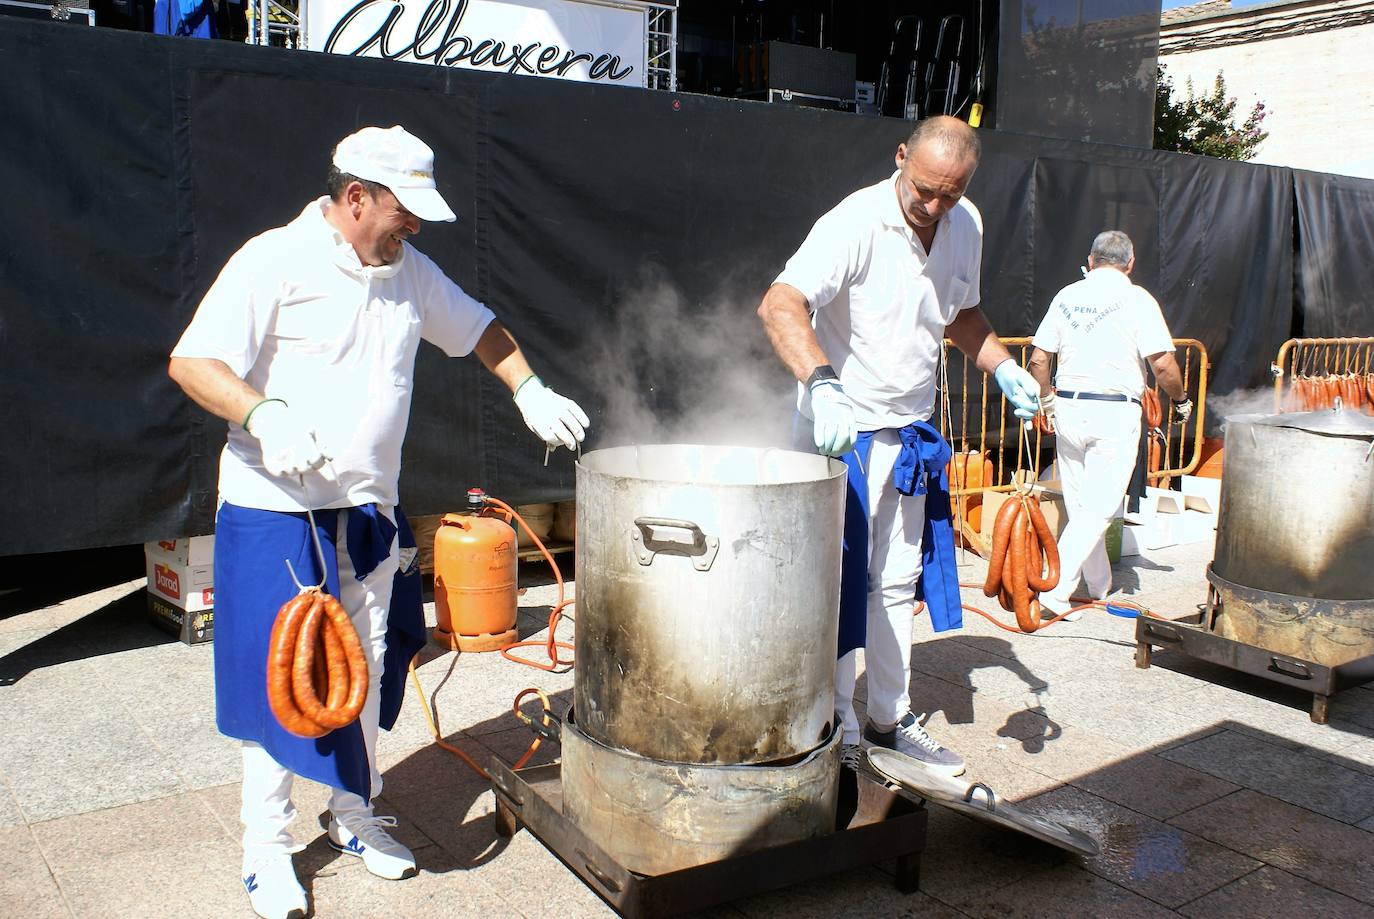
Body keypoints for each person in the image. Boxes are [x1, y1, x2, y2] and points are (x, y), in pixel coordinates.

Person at [167, 125, 588, 919]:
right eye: (404, 211)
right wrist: (263, 412)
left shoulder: (410, 273)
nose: (415, 228)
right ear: (354, 197)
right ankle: (266, 847)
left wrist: (528, 387)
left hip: (369, 511)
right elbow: (193, 360)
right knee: (280, 683)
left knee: (359, 669)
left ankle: (354, 811)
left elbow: (482, 329)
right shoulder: (273, 260)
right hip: (275, 509)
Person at [757, 115, 1040, 778]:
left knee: (891, 582)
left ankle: (887, 718)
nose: (935, 206)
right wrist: (821, 384)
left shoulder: (964, 223)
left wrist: (1002, 364)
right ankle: (835, 724)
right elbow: (780, 303)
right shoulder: (854, 221)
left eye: (951, 192)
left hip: (909, 434)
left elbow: (959, 312)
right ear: (901, 157)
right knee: (835, 586)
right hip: (842, 432)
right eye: (925, 190)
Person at [1026, 230, 1191, 621]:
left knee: (1083, 505)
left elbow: (1037, 359)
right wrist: (1181, 401)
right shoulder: (1137, 300)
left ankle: (1099, 588)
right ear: (1130, 264)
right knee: (1098, 509)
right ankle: (1055, 587)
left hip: (1068, 407)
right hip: (1114, 411)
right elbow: (1163, 364)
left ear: (1092, 258)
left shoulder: (1067, 295)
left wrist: (1046, 401)